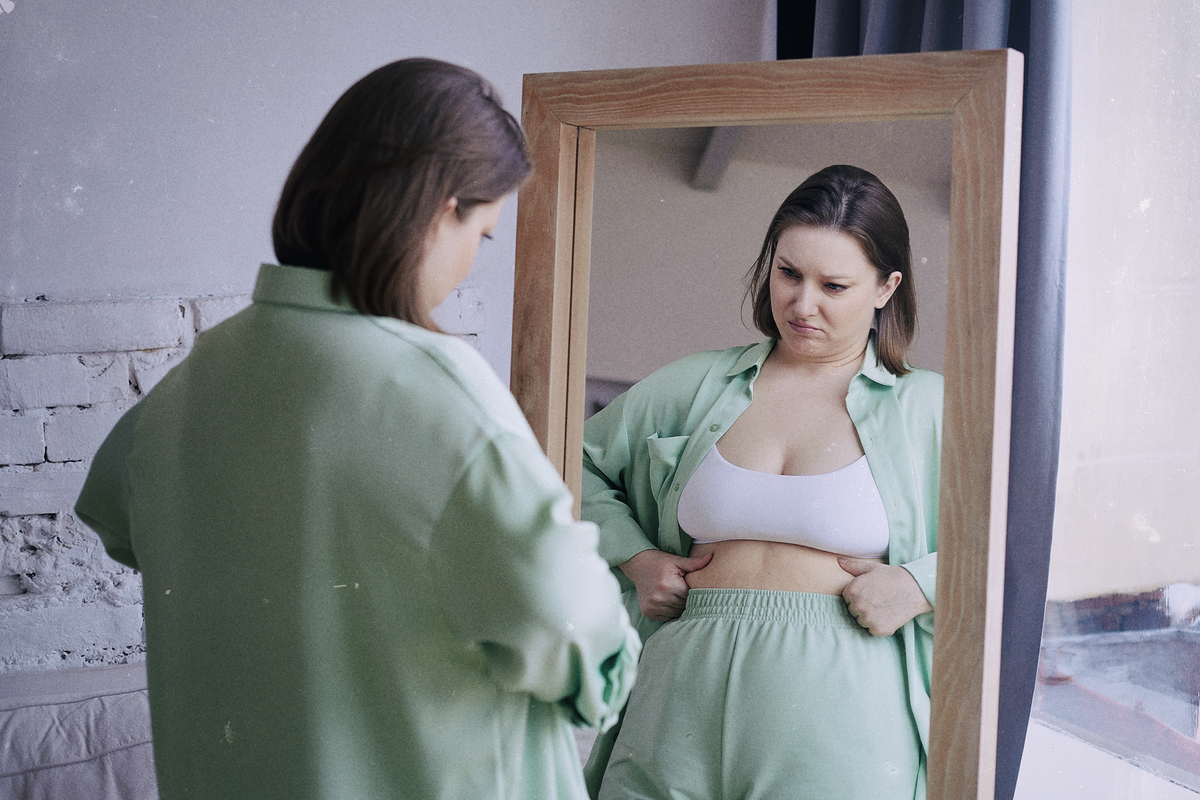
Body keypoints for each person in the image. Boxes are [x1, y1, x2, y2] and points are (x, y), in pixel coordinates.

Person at [75, 58, 639, 800]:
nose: (472, 263)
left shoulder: (191, 382)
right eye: (485, 233)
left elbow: (115, 519)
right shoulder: (441, 389)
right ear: (441, 212)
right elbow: (574, 638)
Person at [581, 165, 941, 800]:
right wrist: (634, 558)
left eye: (834, 285)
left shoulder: (930, 407)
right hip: (678, 690)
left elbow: (1024, 536)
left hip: (845, 700)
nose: (802, 305)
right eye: (788, 273)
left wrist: (922, 583)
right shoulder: (694, 384)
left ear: (887, 288)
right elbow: (564, 463)